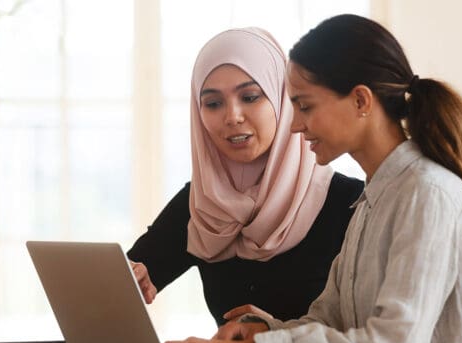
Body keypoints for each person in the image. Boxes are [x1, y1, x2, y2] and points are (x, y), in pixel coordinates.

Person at [149, 14, 462, 343]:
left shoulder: (427, 194)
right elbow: (329, 319)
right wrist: (265, 332)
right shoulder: (373, 198)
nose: (294, 124)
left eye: (306, 106)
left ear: (360, 100)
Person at [128, 27, 363, 327]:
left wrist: (273, 337)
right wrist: (132, 276)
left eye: (250, 97)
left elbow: (371, 333)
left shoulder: (352, 203)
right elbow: (133, 272)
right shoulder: (202, 201)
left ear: (283, 99)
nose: (232, 116)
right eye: (213, 103)